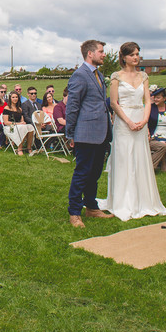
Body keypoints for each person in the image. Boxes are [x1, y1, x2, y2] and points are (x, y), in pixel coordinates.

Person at [97, 42, 166, 222]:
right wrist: (128, 122)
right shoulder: (116, 76)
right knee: (124, 158)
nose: (136, 57)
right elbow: (113, 103)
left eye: (138, 54)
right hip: (123, 121)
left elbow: (148, 101)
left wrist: (144, 121)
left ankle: (144, 199)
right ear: (124, 57)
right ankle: (122, 200)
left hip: (141, 119)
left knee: (140, 158)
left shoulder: (144, 75)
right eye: (133, 54)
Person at [65, 39, 114, 227]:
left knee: (95, 173)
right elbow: (73, 106)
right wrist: (70, 134)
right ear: (90, 54)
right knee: (82, 173)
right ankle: (74, 212)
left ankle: (91, 207)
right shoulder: (80, 75)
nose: (104, 54)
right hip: (85, 132)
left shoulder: (99, 75)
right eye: (101, 51)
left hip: (101, 132)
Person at [2, 91, 35, 156]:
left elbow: (22, 121)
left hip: (19, 126)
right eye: (13, 97)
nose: (15, 99)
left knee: (30, 127)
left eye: (16, 97)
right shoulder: (7, 108)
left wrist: (22, 123)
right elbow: (6, 122)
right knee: (21, 127)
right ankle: (19, 148)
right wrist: (18, 124)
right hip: (10, 126)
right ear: (10, 98)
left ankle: (29, 147)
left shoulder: (19, 109)